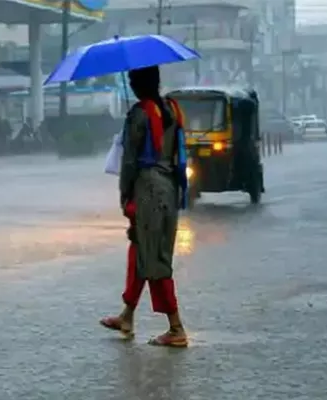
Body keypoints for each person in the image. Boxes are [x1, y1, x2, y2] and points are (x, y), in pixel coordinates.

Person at [100, 66, 189, 347]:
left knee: (155, 257)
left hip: (147, 190)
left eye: (132, 80)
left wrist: (125, 195)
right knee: (141, 249)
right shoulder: (173, 109)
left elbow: (129, 161)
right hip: (169, 188)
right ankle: (127, 315)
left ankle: (176, 328)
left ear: (138, 84)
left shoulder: (139, 114)